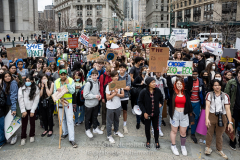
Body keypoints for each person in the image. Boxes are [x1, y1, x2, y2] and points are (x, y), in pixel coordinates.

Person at [205, 79, 233, 159]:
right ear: (212, 86)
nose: (217, 87)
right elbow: (207, 106)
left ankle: (219, 149)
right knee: (209, 132)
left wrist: (230, 122)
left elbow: (227, 109)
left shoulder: (225, 96)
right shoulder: (209, 94)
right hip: (212, 115)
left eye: (219, 85)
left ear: (221, 86)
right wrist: (206, 118)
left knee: (220, 134)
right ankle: (208, 147)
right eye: (215, 85)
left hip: (222, 116)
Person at [167, 77, 193, 156]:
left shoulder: (186, 92)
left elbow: (190, 83)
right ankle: (173, 145)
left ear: (183, 85)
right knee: (174, 131)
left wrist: (190, 74)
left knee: (183, 132)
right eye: (177, 84)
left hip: (184, 114)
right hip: (175, 114)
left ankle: (183, 146)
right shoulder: (173, 92)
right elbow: (168, 83)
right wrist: (168, 74)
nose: (179, 85)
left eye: (180, 84)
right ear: (175, 84)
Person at [54, 69, 77, 148]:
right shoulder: (56, 81)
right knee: (61, 119)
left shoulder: (70, 80)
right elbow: (54, 94)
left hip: (68, 103)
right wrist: (58, 91)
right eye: (61, 74)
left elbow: (73, 91)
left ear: (67, 74)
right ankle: (65, 133)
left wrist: (68, 85)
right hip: (59, 103)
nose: (63, 76)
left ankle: (72, 139)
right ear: (59, 75)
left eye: (64, 74)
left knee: (70, 120)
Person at [138, 77, 163, 149]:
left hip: (155, 114)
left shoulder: (157, 91)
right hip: (147, 114)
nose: (155, 83)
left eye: (155, 82)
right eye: (152, 82)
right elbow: (140, 102)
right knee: (147, 128)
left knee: (156, 128)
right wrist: (144, 112)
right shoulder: (143, 92)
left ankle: (156, 141)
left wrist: (161, 103)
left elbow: (162, 98)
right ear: (148, 84)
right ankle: (148, 140)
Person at [18, 74, 40, 145]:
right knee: (24, 124)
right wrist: (23, 110)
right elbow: (20, 100)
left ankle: (32, 135)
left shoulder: (36, 88)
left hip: (32, 108)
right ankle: (23, 137)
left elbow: (36, 100)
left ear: (32, 81)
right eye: (26, 80)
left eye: (29, 80)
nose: (27, 82)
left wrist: (32, 110)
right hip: (24, 108)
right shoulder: (21, 88)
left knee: (32, 123)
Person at [185, 68, 205, 143]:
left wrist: (203, 103)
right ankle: (186, 131)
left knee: (195, 118)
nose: (195, 75)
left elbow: (202, 92)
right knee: (187, 117)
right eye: (193, 74)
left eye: (196, 74)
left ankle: (193, 133)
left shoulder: (200, 81)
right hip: (189, 102)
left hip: (197, 102)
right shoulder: (187, 80)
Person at [105, 70, 125, 144]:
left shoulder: (120, 84)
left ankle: (116, 131)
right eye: (115, 76)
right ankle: (109, 135)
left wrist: (115, 94)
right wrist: (115, 93)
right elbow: (108, 97)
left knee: (117, 119)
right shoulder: (109, 85)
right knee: (109, 121)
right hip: (110, 106)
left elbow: (122, 95)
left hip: (118, 105)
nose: (116, 77)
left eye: (117, 76)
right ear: (112, 77)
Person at [83, 69, 103, 138]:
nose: (94, 77)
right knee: (88, 118)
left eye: (95, 75)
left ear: (98, 75)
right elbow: (85, 95)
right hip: (89, 104)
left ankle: (95, 128)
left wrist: (99, 95)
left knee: (95, 117)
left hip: (96, 104)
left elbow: (98, 91)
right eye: (93, 75)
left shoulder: (98, 82)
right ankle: (87, 129)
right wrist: (95, 96)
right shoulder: (88, 83)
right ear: (91, 75)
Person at [225, 68, 240, 150]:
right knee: (233, 125)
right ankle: (232, 141)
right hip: (234, 108)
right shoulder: (232, 82)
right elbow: (226, 96)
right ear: (238, 73)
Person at [2, 71, 18, 145]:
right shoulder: (4, 83)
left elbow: (13, 96)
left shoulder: (13, 83)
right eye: (5, 76)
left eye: (8, 76)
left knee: (12, 122)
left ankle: (14, 135)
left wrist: (14, 108)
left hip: (12, 105)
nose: (7, 78)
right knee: (8, 122)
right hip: (6, 105)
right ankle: (10, 135)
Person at [118, 63, 131, 133]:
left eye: (123, 68)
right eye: (120, 67)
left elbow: (128, 88)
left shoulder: (127, 76)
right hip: (117, 96)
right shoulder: (116, 75)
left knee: (125, 111)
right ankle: (115, 124)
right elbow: (114, 85)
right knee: (116, 111)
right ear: (119, 68)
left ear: (125, 69)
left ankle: (124, 125)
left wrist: (119, 86)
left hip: (125, 97)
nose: (122, 69)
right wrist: (123, 86)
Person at [99, 65, 112, 131]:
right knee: (104, 111)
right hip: (104, 96)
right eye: (107, 71)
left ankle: (110, 123)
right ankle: (103, 124)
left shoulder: (112, 76)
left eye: (109, 71)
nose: (108, 73)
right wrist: (103, 97)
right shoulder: (102, 76)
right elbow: (101, 87)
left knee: (111, 111)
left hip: (111, 96)